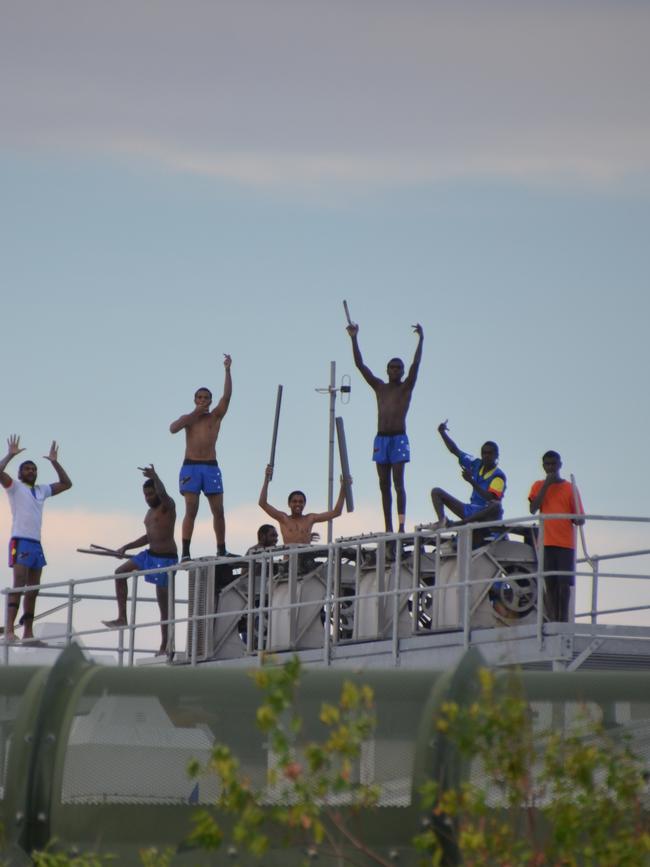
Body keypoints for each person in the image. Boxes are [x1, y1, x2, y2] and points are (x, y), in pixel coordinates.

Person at [346, 320, 423, 533]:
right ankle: (388, 526)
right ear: (387, 370)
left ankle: (400, 525)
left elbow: (416, 366)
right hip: (381, 439)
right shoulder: (380, 387)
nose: (395, 370)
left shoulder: (406, 387)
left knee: (399, 483)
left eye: (399, 367)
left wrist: (421, 341)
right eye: (392, 367)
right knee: (383, 485)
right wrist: (354, 338)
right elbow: (360, 366)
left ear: (402, 371)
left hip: (399, 438)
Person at [0, 435, 72, 643]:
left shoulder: (41, 490)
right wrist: (10, 455)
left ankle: (28, 633)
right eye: (27, 469)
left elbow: (67, 484)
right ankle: (10, 630)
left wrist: (54, 462)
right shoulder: (15, 487)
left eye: (34, 469)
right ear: (21, 473)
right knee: (19, 583)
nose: (31, 471)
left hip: (36, 543)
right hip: (20, 540)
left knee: (33, 589)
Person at [102, 465, 177, 655]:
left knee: (164, 606)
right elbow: (148, 536)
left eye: (151, 494)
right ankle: (122, 617)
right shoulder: (149, 513)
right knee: (120, 573)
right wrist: (126, 547)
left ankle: (165, 646)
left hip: (166, 559)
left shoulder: (168, 506)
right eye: (146, 495)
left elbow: (164, 493)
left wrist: (155, 476)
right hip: (149, 555)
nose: (149, 498)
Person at [169, 354, 232, 560]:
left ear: (210, 400)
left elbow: (227, 397)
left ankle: (221, 548)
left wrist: (227, 370)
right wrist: (194, 413)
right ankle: (186, 552)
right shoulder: (189, 418)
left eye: (206, 398)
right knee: (191, 509)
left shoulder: (215, 416)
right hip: (191, 466)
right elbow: (173, 428)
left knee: (218, 510)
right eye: (200, 398)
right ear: (195, 400)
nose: (203, 401)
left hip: (211, 466)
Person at [528, 451, 584, 623]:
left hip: (565, 543)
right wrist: (547, 485)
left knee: (564, 584)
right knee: (550, 583)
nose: (550, 468)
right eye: (547, 465)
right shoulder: (538, 485)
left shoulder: (570, 488)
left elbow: (580, 519)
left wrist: (575, 518)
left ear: (560, 465)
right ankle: (553, 619)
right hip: (546, 542)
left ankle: (563, 619)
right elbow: (533, 508)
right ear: (543, 466)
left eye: (553, 464)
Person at [430, 420, 506, 531]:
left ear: (496, 455)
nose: (486, 456)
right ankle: (443, 521)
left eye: (490, 453)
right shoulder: (476, 463)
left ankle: (461, 523)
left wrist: (471, 481)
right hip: (471, 510)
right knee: (436, 492)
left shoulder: (498, 476)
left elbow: (490, 498)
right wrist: (442, 433)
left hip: (487, 515)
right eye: (484, 453)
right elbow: (455, 450)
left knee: (496, 505)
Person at [258, 465, 350, 545]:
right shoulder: (284, 518)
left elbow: (336, 512)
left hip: (305, 561)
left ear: (304, 504)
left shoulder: (310, 518)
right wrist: (266, 478)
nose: (298, 504)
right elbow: (262, 503)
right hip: (289, 561)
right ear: (289, 504)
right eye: (294, 501)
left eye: (301, 502)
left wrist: (343, 487)